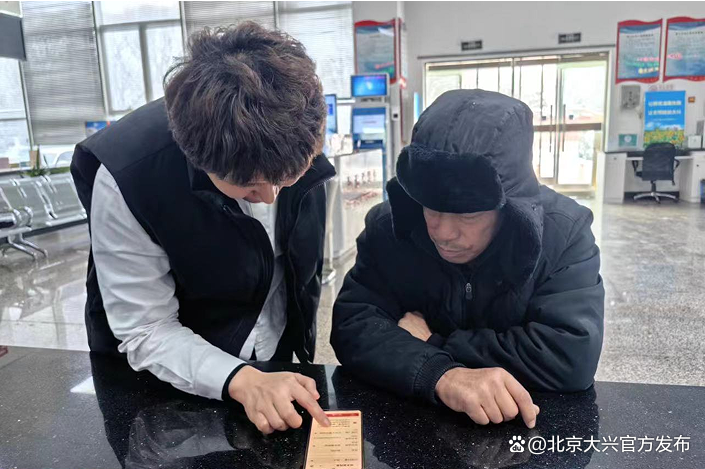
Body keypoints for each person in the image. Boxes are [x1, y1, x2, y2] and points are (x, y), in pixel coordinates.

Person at [71, 22, 334, 434]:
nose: (269, 198)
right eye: (248, 188)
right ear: (197, 158)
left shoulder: (297, 124)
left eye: (285, 180)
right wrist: (240, 380)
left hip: (271, 359)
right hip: (164, 387)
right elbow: (146, 328)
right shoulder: (129, 176)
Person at [331, 89, 604, 429]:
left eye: (468, 215)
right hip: (413, 425)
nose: (443, 233)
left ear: (510, 207)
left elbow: (570, 357)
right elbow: (352, 325)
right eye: (431, 207)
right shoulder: (391, 226)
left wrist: (433, 342)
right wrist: (440, 374)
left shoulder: (563, 233)